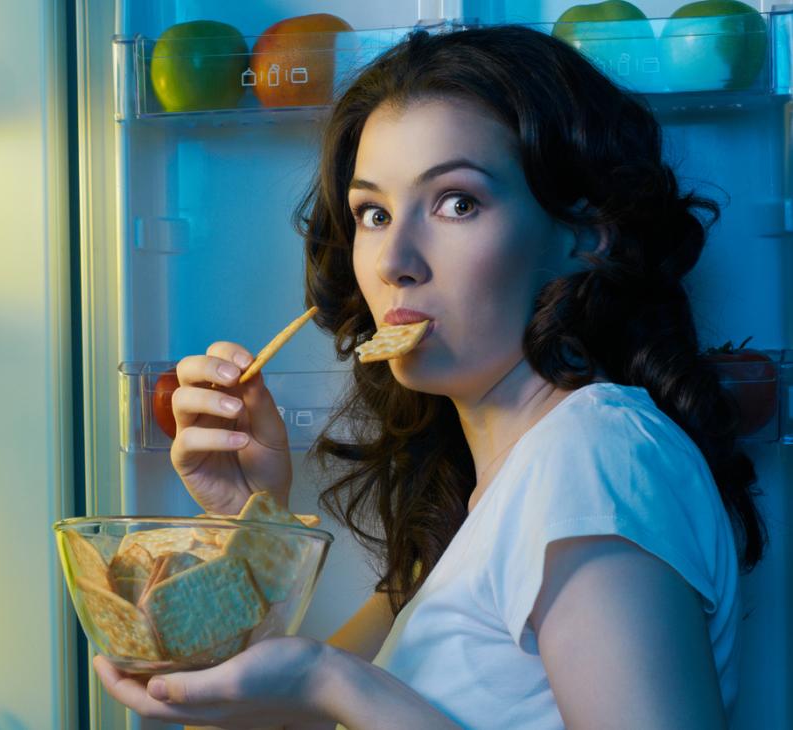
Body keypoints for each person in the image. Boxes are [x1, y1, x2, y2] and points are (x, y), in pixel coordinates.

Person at [94, 24, 767, 729]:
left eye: (457, 202)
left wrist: (330, 680)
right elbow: (287, 714)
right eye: (374, 213)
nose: (393, 260)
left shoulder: (594, 458)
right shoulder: (491, 495)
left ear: (583, 235)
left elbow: (327, 695)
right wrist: (253, 518)